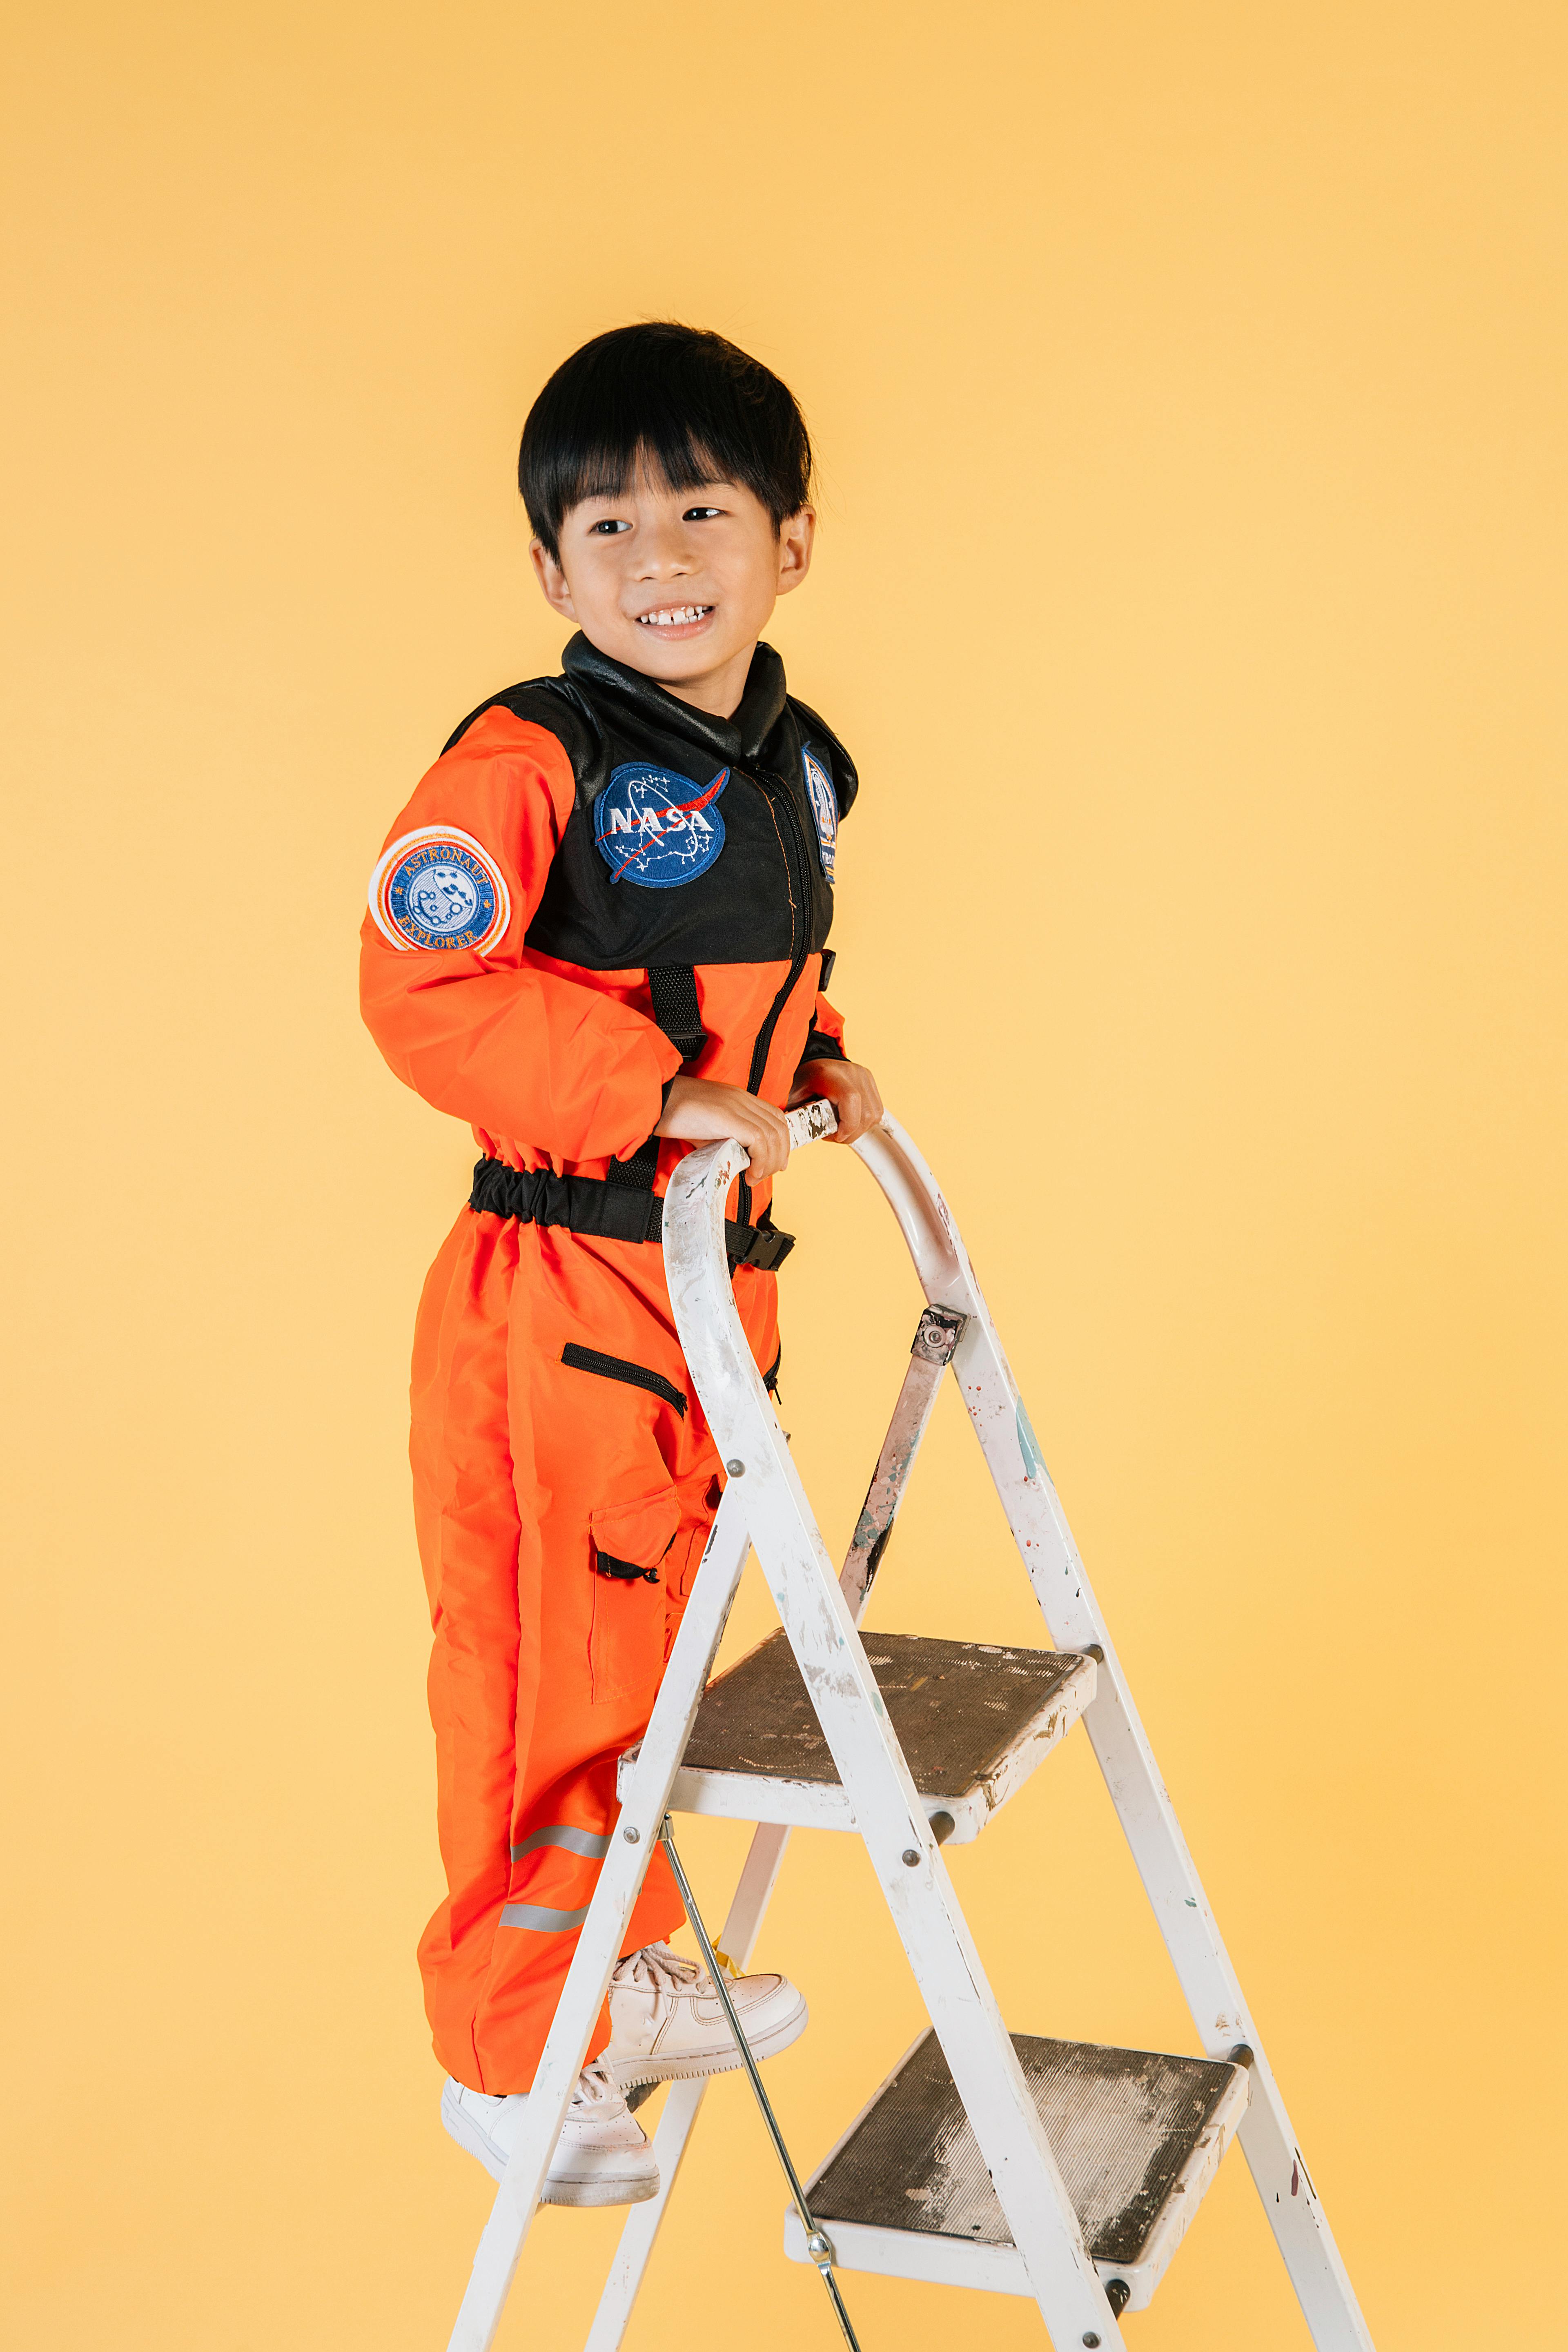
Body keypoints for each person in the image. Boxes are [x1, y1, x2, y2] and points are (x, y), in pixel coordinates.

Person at [361, 323, 884, 2206]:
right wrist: (652, 1092)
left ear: (789, 540)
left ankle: (629, 1976)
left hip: (715, 1291)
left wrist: (806, 1068)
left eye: (703, 510)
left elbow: (751, 981)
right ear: (551, 569)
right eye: (610, 524)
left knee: (653, 1663)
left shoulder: (791, 760)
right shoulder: (528, 756)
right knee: (534, 1669)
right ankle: (509, 2058)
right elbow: (426, 990)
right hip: (557, 1290)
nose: (662, 559)